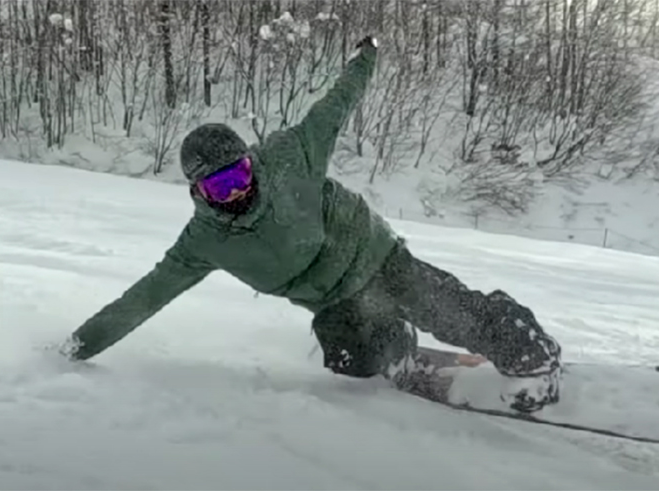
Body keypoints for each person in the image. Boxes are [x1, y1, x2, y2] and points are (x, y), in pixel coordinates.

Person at [60, 36, 562, 411]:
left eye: (239, 173)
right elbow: (141, 300)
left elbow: (338, 102)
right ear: (198, 191)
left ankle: (530, 353)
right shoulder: (202, 243)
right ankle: (399, 353)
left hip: (371, 254)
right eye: (219, 185)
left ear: (251, 162)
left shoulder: (289, 155)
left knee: (442, 307)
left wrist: (366, 56)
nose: (235, 191)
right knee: (348, 359)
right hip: (333, 299)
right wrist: (73, 349)